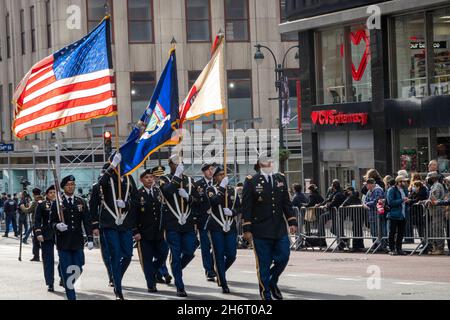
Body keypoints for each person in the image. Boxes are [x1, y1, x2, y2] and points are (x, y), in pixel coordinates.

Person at [242, 153, 298, 300]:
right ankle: (265, 295)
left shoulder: (280, 178)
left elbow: (286, 202)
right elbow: (247, 206)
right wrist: (246, 229)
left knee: (283, 257)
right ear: (260, 164)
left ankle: (272, 282)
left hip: (279, 228)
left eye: (271, 162)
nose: (270, 164)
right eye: (267, 162)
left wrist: (292, 221)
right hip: (260, 230)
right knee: (264, 265)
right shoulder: (251, 181)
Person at [92, 154, 139, 300]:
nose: (120, 164)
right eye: (117, 162)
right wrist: (111, 167)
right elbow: (99, 185)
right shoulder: (107, 174)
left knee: (127, 255)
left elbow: (136, 199)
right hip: (109, 222)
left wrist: (127, 204)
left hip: (125, 222)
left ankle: (115, 273)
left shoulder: (129, 177)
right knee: (115, 254)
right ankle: (118, 289)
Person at [159, 155, 200, 297]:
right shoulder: (164, 179)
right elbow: (167, 192)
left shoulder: (190, 181)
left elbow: (198, 201)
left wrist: (188, 197)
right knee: (175, 255)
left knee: (190, 250)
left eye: (180, 163)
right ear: (170, 164)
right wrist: (176, 177)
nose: (179, 165)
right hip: (172, 224)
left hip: (187, 224)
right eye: (176, 163)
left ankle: (177, 269)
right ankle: (179, 285)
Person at [51, 175, 94, 300]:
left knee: (79, 266)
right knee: (66, 268)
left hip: (77, 241)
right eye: (68, 185)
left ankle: (66, 281)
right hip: (63, 242)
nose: (71, 187)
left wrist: (90, 238)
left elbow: (87, 221)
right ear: (63, 187)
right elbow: (51, 222)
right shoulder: (58, 203)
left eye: (72, 184)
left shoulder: (81, 201)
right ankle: (71, 295)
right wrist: (57, 226)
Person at [206, 166, 241, 294]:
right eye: (219, 174)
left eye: (223, 174)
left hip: (230, 226)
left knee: (231, 255)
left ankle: (219, 272)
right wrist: (221, 188)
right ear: (215, 177)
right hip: (216, 226)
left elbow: (239, 207)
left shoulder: (233, 191)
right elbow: (213, 202)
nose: (222, 176)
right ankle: (223, 282)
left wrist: (233, 212)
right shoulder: (211, 189)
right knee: (219, 254)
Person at [134, 167, 167, 293]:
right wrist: (135, 231)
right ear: (141, 180)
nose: (149, 179)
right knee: (146, 260)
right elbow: (134, 214)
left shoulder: (159, 192)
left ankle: (153, 270)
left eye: (151, 177)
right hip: (144, 234)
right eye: (146, 177)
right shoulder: (138, 194)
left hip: (158, 232)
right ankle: (151, 284)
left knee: (164, 253)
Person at [89, 165, 114, 287]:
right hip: (104, 223)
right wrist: (95, 225)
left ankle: (116, 273)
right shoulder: (97, 187)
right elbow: (93, 207)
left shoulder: (118, 186)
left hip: (118, 223)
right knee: (107, 252)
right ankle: (112, 276)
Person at [193, 163, 216, 282]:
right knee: (206, 246)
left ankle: (214, 265)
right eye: (208, 170)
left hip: (217, 221)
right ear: (203, 172)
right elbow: (195, 204)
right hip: (204, 220)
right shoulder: (198, 185)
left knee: (217, 246)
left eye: (212, 169)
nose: (211, 172)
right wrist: (196, 220)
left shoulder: (217, 184)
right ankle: (209, 270)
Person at [34, 185, 57, 292]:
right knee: (48, 260)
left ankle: (63, 276)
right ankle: (50, 282)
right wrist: (38, 233)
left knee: (64, 257)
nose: (53, 194)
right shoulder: (42, 204)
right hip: (46, 234)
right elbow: (37, 220)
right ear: (47, 194)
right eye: (50, 192)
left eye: (54, 192)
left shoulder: (61, 204)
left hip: (60, 234)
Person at [317, 180, 346, 250]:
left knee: (336, 229)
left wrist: (326, 206)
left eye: (332, 185)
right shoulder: (334, 192)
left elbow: (333, 202)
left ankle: (342, 242)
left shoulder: (339, 193)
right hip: (333, 212)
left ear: (333, 186)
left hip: (339, 213)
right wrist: (320, 204)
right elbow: (328, 199)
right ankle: (322, 239)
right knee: (322, 218)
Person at [20, 188, 44, 261]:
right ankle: (45, 256)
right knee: (44, 241)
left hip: (36, 223)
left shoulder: (35, 202)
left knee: (36, 241)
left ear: (33, 194)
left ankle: (36, 256)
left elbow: (28, 211)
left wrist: (22, 207)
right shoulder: (44, 200)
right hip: (44, 223)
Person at [363, 178, 387, 252]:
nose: (366, 186)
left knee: (379, 230)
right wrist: (365, 203)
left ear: (371, 184)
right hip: (372, 214)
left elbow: (376, 201)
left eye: (367, 184)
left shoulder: (377, 190)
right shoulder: (369, 191)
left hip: (377, 214)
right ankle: (376, 244)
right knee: (373, 230)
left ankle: (381, 245)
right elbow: (365, 200)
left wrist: (366, 204)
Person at [386, 176, 409, 255]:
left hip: (403, 215)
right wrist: (402, 200)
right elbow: (391, 202)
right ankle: (392, 249)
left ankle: (399, 249)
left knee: (401, 233)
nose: (405, 183)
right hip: (393, 214)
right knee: (392, 232)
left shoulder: (405, 190)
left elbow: (407, 200)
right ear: (398, 182)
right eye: (403, 181)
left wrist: (409, 201)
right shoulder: (391, 190)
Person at [426, 171, 446, 255]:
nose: (428, 180)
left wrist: (428, 201)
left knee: (438, 230)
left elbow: (435, 198)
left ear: (433, 178)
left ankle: (440, 248)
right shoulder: (433, 186)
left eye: (429, 178)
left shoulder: (437, 186)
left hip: (438, 211)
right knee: (435, 229)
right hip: (434, 212)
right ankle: (436, 247)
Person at [341, 186, 365, 252]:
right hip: (359, 215)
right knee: (358, 230)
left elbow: (344, 204)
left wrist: (347, 197)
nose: (346, 192)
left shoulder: (351, 196)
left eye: (347, 191)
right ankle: (360, 245)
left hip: (356, 215)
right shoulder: (356, 196)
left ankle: (356, 246)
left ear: (351, 191)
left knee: (356, 230)